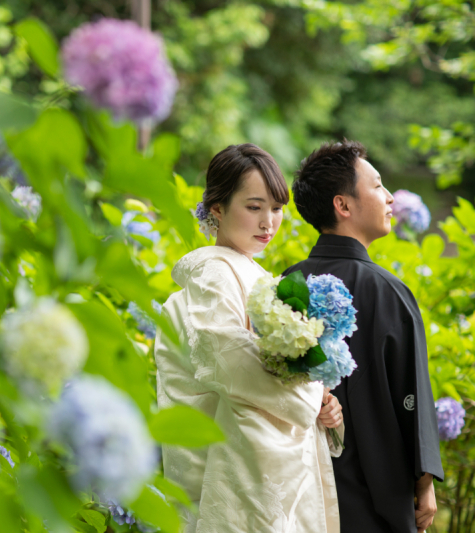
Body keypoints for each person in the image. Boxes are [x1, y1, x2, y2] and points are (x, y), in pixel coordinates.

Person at [155, 143, 344, 533]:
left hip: (256, 467)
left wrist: (325, 405)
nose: (268, 223)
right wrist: (311, 397)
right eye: (254, 207)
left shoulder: (251, 275)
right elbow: (228, 361)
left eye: (276, 209)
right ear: (217, 209)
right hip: (233, 471)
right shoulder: (215, 272)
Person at [283, 140, 444, 533]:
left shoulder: (289, 285)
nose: (389, 197)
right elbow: (411, 395)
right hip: (376, 502)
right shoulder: (388, 291)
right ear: (343, 205)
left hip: (301, 492)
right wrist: (424, 483)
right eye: (377, 186)